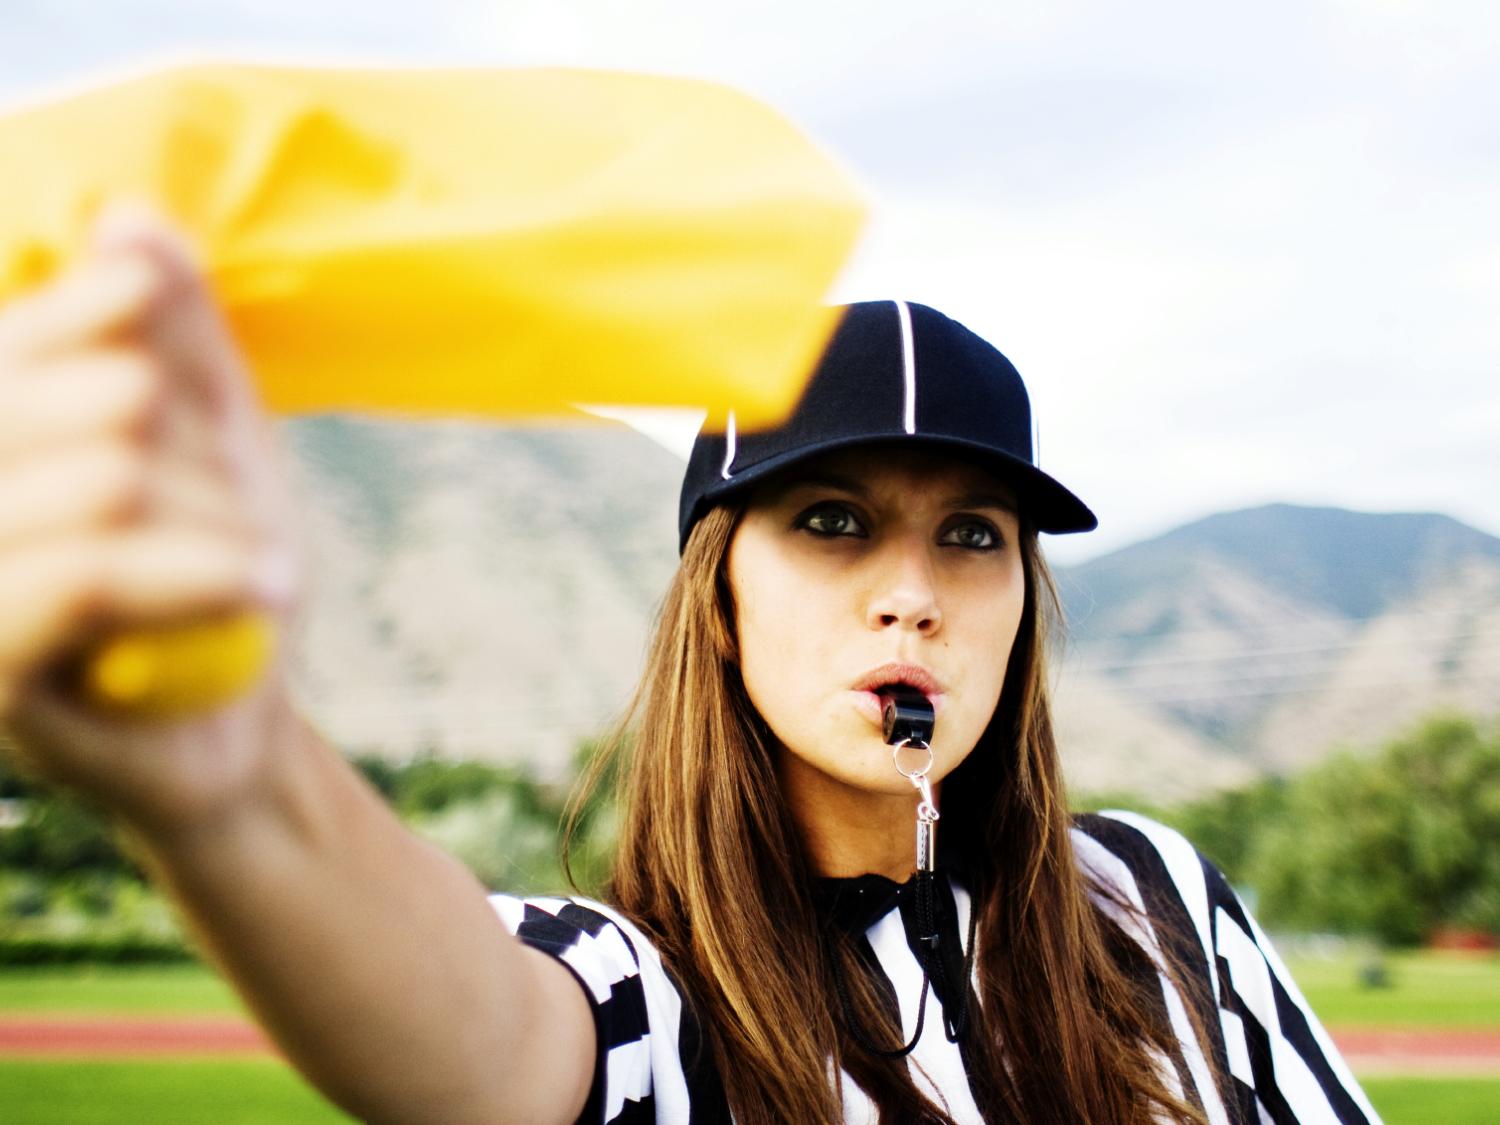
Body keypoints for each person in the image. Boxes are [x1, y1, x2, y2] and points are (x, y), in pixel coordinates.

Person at [0, 208, 1378, 1124]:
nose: (912, 596)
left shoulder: (1151, 894)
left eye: (973, 534)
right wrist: (234, 775)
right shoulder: (640, 992)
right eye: (831, 521)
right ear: (717, 599)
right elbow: (482, 1041)